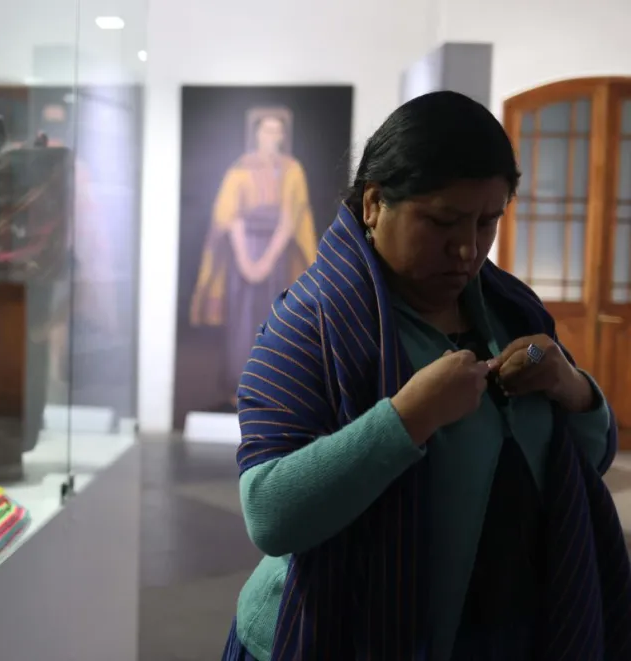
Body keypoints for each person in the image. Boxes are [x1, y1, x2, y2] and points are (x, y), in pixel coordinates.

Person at [222, 91, 631, 661]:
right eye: (441, 221)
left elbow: (589, 459)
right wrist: (408, 417)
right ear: (373, 204)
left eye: (487, 222)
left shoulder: (511, 309)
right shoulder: (310, 321)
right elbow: (270, 515)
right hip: (341, 637)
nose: (467, 249)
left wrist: (573, 387)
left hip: (508, 629)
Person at [189, 108, 319, 408]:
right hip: (241, 256)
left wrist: (267, 260)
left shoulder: (292, 169)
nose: (270, 136)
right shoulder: (240, 169)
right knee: (241, 323)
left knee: (276, 320)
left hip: (278, 258)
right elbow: (229, 216)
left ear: (283, 135)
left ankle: (271, 388)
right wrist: (247, 261)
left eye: (277, 130)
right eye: (265, 130)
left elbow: (292, 217)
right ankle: (238, 388)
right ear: (256, 133)